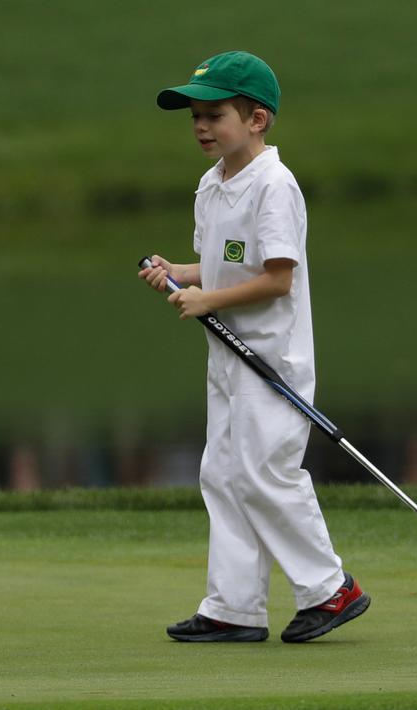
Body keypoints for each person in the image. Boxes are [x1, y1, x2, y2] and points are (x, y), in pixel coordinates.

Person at [138, 52, 369, 643]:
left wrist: (207, 301)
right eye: (195, 116)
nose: (200, 126)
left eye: (214, 114)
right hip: (229, 356)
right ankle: (234, 607)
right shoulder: (212, 185)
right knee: (222, 472)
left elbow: (277, 278)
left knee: (265, 471)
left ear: (258, 118)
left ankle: (331, 589)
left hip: (274, 361)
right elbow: (219, 265)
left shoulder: (274, 185)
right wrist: (183, 274)